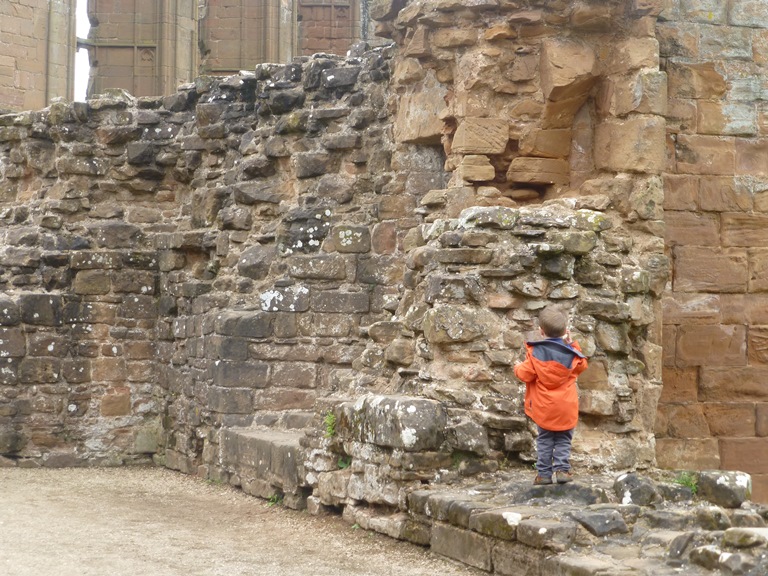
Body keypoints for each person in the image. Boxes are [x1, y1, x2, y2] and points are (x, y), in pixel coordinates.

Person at [514, 305, 588, 485]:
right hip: (566, 407)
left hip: (544, 408)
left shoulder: (535, 354)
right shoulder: (572, 354)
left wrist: (516, 366)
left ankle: (544, 474)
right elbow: (582, 365)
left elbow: (524, 374)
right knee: (563, 438)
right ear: (565, 331)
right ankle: (562, 470)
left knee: (545, 439)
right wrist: (571, 343)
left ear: (541, 331)